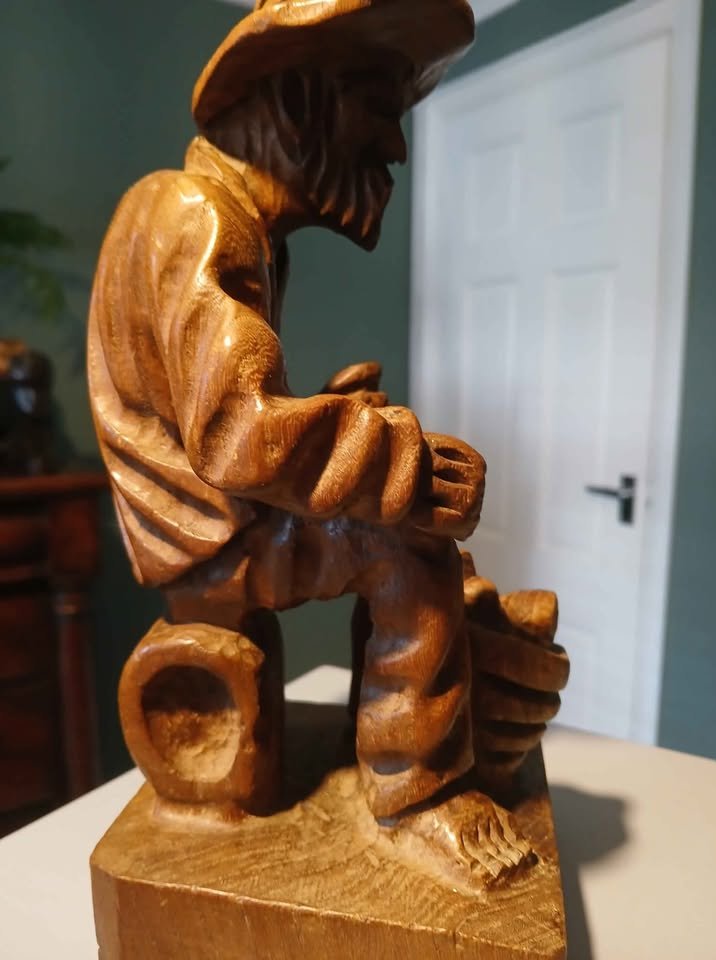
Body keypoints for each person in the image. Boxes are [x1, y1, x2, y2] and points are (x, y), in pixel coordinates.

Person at [89, 0, 564, 890]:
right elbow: (236, 437)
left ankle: (427, 718)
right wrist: (403, 461)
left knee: (386, 508)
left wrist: (334, 416)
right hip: (209, 548)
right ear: (301, 102)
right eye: (377, 103)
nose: (395, 146)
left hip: (215, 525)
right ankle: (420, 795)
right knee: (406, 544)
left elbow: (222, 416)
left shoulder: (221, 220)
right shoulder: (197, 213)